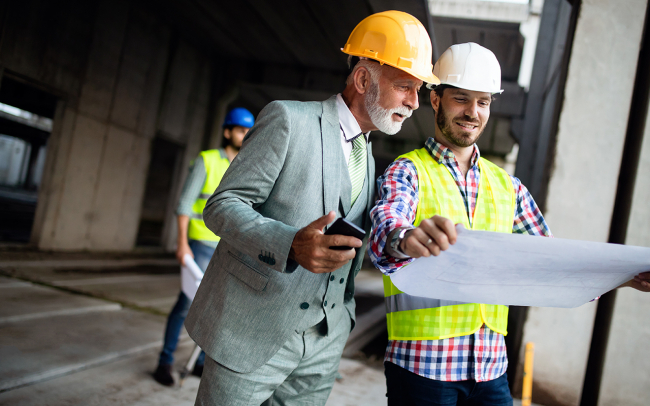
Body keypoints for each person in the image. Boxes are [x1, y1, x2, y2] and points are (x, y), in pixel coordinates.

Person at [369, 42, 650, 406]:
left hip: (490, 369)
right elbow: (385, 229)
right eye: (461, 99)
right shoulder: (408, 170)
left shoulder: (509, 187)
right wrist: (406, 239)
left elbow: (550, 264)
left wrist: (624, 277)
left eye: (483, 102)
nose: (473, 112)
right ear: (435, 100)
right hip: (423, 368)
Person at [184, 10, 439, 406]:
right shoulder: (288, 120)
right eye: (406, 86)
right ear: (362, 80)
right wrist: (289, 245)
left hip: (323, 343)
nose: (414, 102)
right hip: (254, 331)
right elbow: (222, 206)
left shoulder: (369, 157)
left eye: (418, 90)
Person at [153, 107, 255, 386]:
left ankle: (199, 362)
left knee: (215, 308)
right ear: (227, 132)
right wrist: (182, 243)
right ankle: (164, 362)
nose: (245, 135)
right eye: (240, 130)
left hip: (229, 248)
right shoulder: (207, 160)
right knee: (186, 304)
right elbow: (185, 204)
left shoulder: (247, 168)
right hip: (199, 244)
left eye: (249, 131)